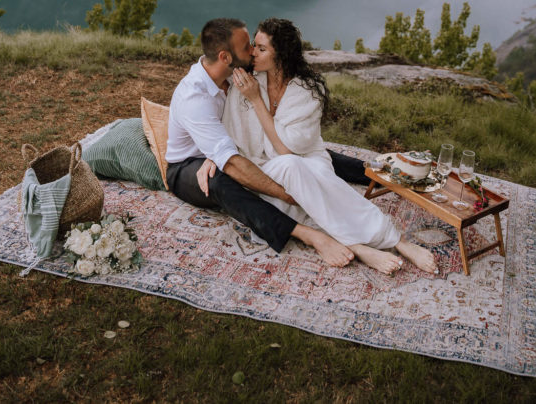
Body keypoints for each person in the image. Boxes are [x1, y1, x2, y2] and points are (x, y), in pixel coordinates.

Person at [212, 17, 437, 275]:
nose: (253, 52)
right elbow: (236, 137)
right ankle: (394, 240)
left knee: (313, 180)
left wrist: (257, 102)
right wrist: (252, 98)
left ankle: (377, 244)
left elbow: (289, 149)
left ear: (281, 56)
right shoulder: (248, 83)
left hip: (308, 158)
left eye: (262, 48)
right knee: (296, 172)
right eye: (254, 45)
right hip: (264, 168)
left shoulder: (307, 90)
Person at [164, 17, 355, 266]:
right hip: (187, 166)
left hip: (221, 150)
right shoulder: (194, 98)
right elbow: (231, 163)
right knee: (222, 180)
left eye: (255, 45)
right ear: (225, 57)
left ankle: (369, 170)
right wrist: (288, 195)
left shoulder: (235, 75)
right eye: (247, 47)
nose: (253, 51)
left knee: (303, 153)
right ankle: (306, 234)